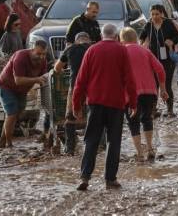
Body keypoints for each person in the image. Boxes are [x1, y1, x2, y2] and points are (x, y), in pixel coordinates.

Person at [73, 24, 137, 191]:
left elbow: (80, 80)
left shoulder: (92, 50)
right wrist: (133, 103)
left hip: (95, 104)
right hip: (116, 104)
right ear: (116, 36)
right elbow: (129, 79)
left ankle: (85, 177)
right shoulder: (122, 50)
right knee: (113, 141)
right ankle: (110, 179)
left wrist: (76, 104)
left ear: (102, 36)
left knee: (91, 140)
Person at [120, 27, 167, 161]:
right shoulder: (146, 51)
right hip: (150, 92)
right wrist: (163, 89)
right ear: (136, 39)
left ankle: (140, 153)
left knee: (133, 122)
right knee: (147, 119)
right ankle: (150, 148)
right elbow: (160, 69)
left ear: (122, 40)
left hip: (130, 94)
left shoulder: (121, 52)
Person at [0, 41, 48, 148]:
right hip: (6, 86)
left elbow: (44, 78)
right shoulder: (20, 57)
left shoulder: (43, 61)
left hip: (22, 90)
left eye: (44, 54)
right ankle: (9, 144)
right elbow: (18, 80)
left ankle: (1, 142)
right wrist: (37, 79)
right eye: (38, 54)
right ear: (31, 50)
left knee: (16, 114)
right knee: (12, 113)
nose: (41, 57)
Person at [53, 32, 92, 155]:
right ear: (88, 40)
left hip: (75, 86)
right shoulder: (93, 48)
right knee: (93, 115)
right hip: (92, 87)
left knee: (70, 117)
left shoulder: (70, 49)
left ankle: (70, 148)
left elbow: (57, 68)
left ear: (76, 41)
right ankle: (94, 146)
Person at [139, 4, 178, 117]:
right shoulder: (148, 25)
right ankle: (153, 109)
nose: (155, 16)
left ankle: (170, 109)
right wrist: (143, 43)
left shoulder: (168, 23)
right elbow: (141, 37)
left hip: (167, 59)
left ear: (162, 14)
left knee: (166, 84)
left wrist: (172, 41)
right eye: (152, 14)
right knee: (154, 85)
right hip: (152, 59)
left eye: (157, 14)